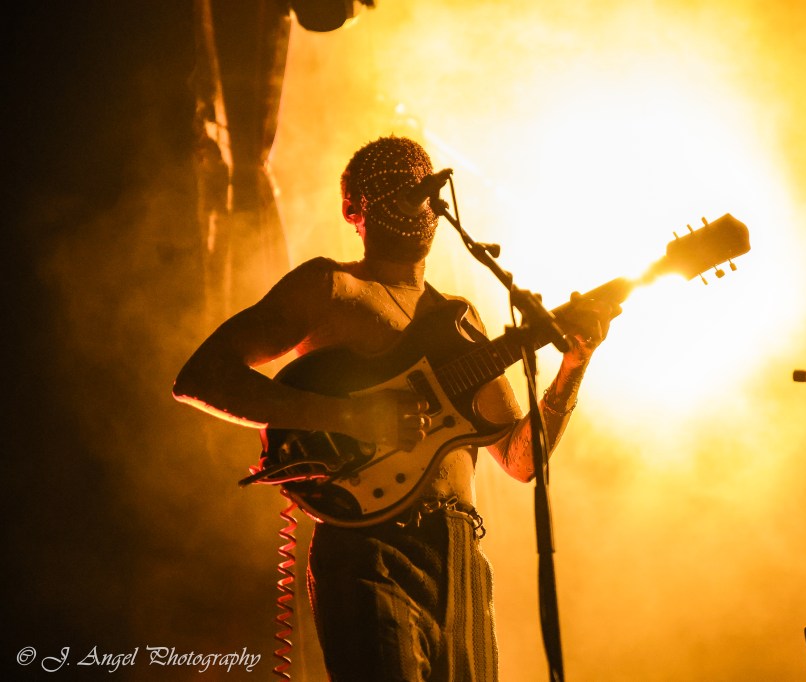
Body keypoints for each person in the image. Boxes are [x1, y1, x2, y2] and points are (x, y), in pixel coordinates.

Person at [172, 135, 619, 681]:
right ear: (352, 210)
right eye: (390, 184)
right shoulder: (331, 285)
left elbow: (520, 460)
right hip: (369, 550)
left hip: (462, 553)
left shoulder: (460, 320)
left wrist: (575, 365)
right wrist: (347, 417)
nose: (412, 194)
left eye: (419, 182)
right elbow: (202, 377)